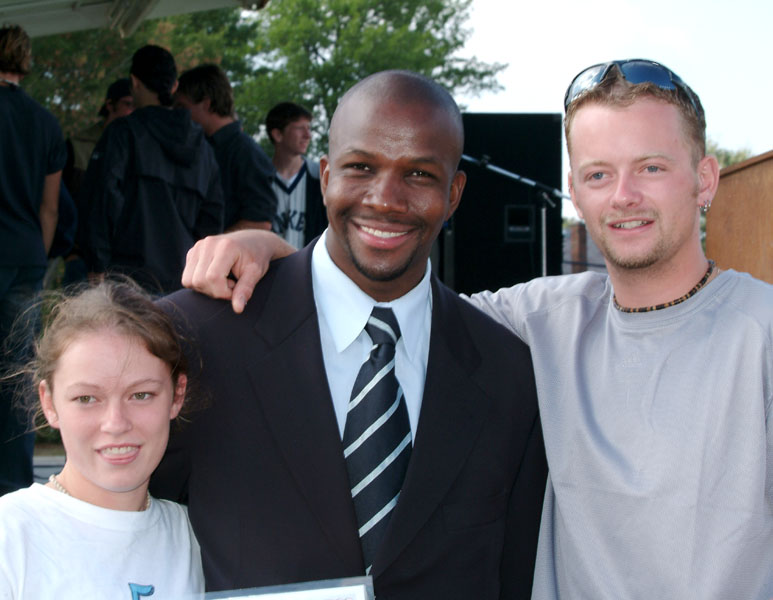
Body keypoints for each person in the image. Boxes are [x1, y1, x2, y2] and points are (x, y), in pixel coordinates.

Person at [182, 60, 773, 598]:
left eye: (651, 167)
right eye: (598, 174)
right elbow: (385, 293)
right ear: (574, 192)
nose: (624, 196)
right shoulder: (539, 322)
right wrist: (269, 250)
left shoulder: (761, 336)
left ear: (705, 179)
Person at [151, 70, 547, 598]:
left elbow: (514, 574)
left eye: (420, 175)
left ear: (454, 195)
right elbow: (121, 535)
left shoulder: (509, 372)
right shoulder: (197, 339)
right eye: (361, 167)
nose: (385, 199)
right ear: (325, 175)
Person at [0, 281, 203, 598]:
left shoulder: (196, 539)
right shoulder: (10, 536)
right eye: (86, 398)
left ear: (176, 395)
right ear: (49, 403)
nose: (116, 423)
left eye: (140, 395)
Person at [79, 44, 223, 295]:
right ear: (174, 86)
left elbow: (102, 200)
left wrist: (96, 264)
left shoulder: (123, 133)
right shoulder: (203, 147)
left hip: (127, 281)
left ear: (134, 82)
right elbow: (212, 218)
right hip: (184, 286)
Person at [0, 24, 66, 496]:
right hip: (25, 254)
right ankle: (14, 483)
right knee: (18, 373)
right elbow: (50, 206)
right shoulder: (45, 122)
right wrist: (37, 256)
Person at [175, 64, 277, 232]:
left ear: (206, 104)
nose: (177, 114)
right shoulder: (201, 147)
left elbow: (259, 222)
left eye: (182, 107)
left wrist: (209, 248)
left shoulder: (246, 152)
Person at [266, 101, 327, 248]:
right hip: (267, 269)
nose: (308, 135)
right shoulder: (258, 180)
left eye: (309, 128)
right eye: (300, 128)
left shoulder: (320, 178)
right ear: (278, 134)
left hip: (306, 268)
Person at [63, 78, 134, 197]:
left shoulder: (140, 152)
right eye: (129, 104)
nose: (133, 112)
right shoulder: (77, 147)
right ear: (110, 105)